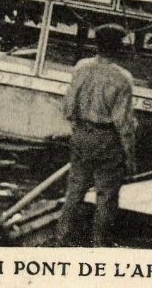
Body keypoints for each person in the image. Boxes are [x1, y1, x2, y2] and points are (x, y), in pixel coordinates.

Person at [57, 24, 137, 247]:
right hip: (107, 139)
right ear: (118, 47)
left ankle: (61, 239)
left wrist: (79, 130)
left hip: (81, 134)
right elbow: (124, 123)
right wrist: (130, 156)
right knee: (106, 195)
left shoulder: (80, 68)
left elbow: (68, 107)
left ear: (97, 44)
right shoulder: (123, 79)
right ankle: (99, 245)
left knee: (74, 190)